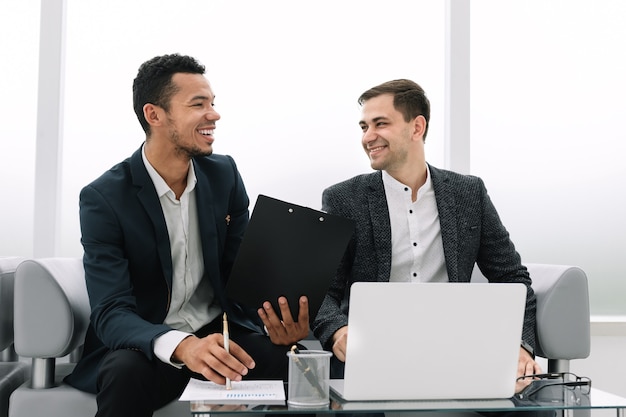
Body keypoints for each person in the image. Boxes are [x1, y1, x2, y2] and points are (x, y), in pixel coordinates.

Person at [65, 53, 309, 417]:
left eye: (212, 103)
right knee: (123, 373)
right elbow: (111, 311)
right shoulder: (103, 198)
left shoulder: (224, 174)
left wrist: (276, 323)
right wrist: (183, 346)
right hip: (147, 346)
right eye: (199, 104)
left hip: (219, 336)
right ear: (155, 115)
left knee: (304, 365)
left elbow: (239, 275)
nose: (214, 114)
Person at [311, 79, 542, 393]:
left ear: (416, 127)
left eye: (380, 124)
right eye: (364, 126)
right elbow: (323, 290)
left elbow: (512, 277)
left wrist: (520, 346)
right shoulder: (343, 199)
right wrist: (338, 331)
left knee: (533, 407)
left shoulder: (468, 194)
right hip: (371, 354)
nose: (368, 137)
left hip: (456, 350)